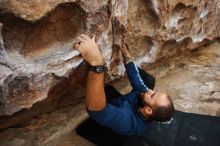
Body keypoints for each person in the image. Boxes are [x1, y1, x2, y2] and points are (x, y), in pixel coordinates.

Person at [75, 34, 174, 136]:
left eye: (152, 96)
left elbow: (95, 110)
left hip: (111, 117)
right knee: (149, 80)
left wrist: (97, 63)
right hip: (124, 104)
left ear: (148, 110)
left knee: (103, 97)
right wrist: (124, 50)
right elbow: (135, 77)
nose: (150, 91)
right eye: (155, 91)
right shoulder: (144, 96)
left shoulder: (128, 121)